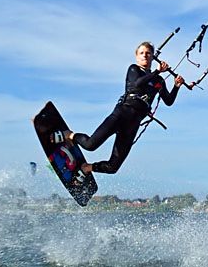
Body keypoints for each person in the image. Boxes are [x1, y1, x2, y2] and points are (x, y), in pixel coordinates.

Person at [58, 41, 185, 175]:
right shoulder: (134, 69)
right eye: (141, 53)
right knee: (90, 145)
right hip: (121, 114)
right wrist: (157, 71)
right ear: (137, 56)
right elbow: (138, 84)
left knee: (113, 167)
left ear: (153, 57)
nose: (145, 56)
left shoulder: (159, 81)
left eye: (148, 53)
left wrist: (176, 86)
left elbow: (168, 101)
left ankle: (87, 168)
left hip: (133, 124)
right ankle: (70, 135)